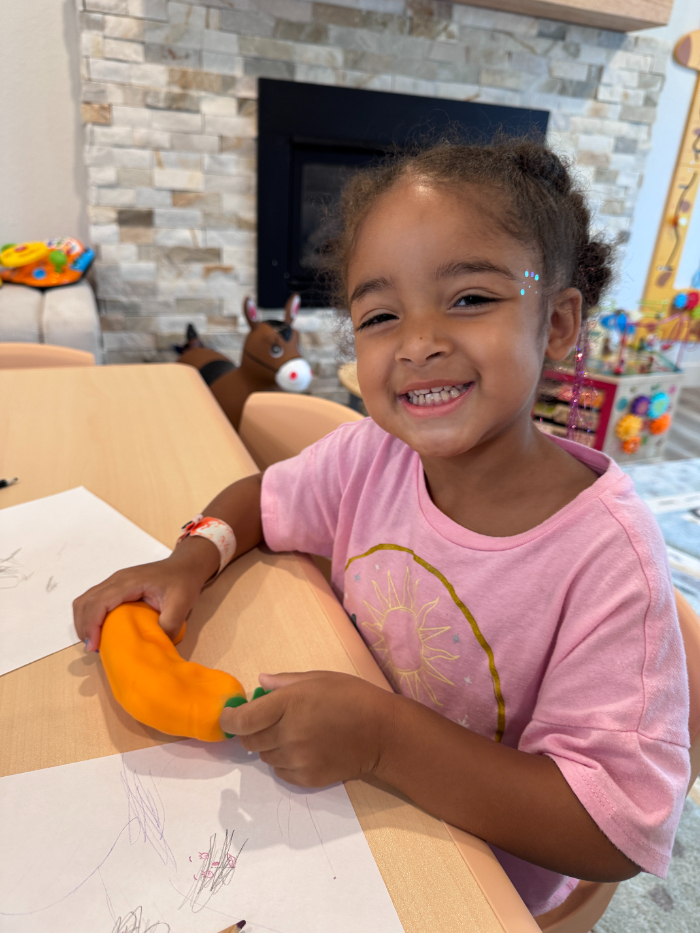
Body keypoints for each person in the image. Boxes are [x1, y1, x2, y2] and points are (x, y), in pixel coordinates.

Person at [74, 138, 690, 918]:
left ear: (559, 322)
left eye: (469, 298)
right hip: (344, 805)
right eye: (381, 314)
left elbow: (614, 830)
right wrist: (192, 555)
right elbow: (264, 499)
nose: (418, 341)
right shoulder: (373, 455)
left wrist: (383, 740)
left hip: (476, 878)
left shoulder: (609, 557)